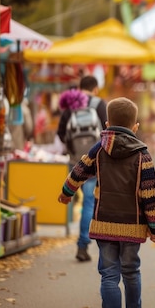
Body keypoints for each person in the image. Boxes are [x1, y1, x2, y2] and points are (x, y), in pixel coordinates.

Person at [57, 97, 155, 308]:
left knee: (108, 275)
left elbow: (79, 171)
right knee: (131, 272)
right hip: (133, 226)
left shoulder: (99, 149)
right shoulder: (143, 154)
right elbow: (150, 195)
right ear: (135, 126)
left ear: (107, 124)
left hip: (103, 222)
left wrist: (66, 192)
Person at [56, 76, 107, 262]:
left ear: (79, 88)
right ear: (95, 89)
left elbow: (61, 134)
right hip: (93, 162)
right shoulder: (100, 104)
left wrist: (73, 148)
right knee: (88, 202)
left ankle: (71, 198)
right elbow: (107, 132)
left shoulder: (71, 105)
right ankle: (82, 245)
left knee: (70, 191)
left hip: (74, 160)